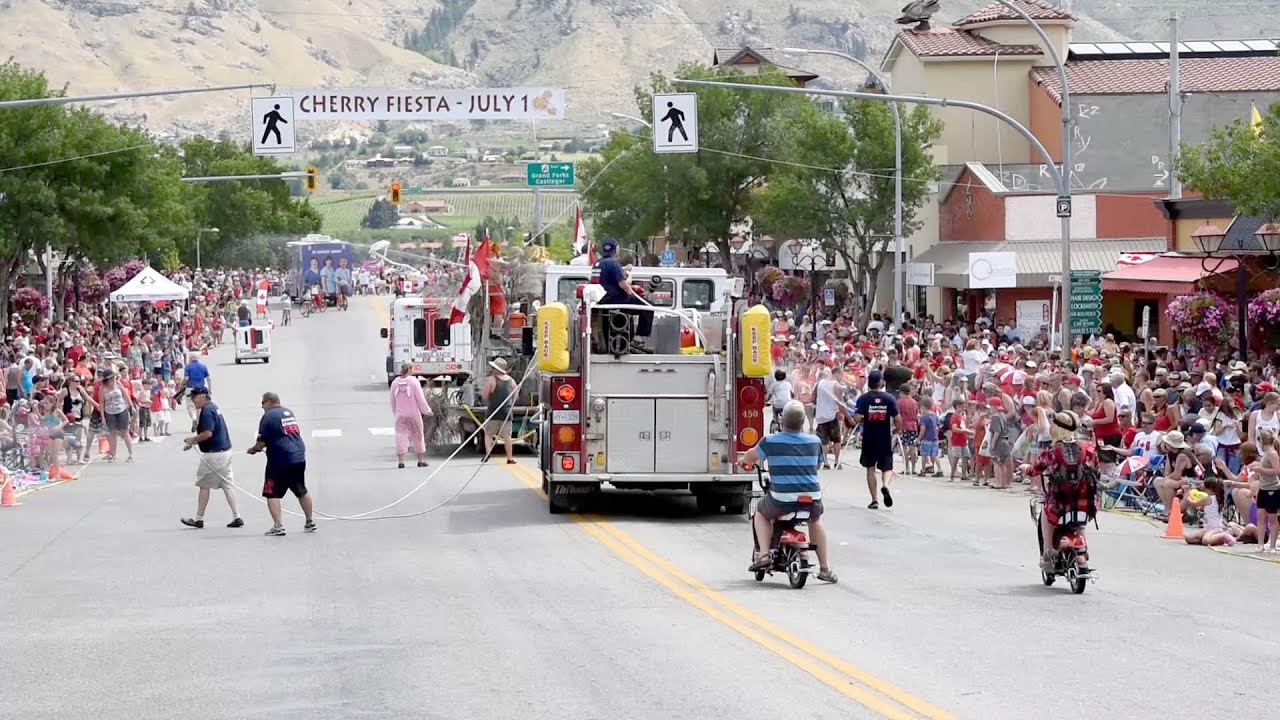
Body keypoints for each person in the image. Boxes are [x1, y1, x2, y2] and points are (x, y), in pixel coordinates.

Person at [741, 400, 837, 583]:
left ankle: (763, 555)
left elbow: (751, 457)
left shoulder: (770, 441)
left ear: (781, 420)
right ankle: (825, 568)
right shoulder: (815, 441)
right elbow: (816, 465)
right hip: (812, 499)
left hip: (780, 500)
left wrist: (744, 461)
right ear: (803, 422)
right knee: (815, 520)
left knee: (760, 513)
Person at [1026, 411, 1098, 571]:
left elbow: (1035, 469)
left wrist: (1026, 469)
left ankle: (1048, 552)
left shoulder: (1052, 452)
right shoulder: (1087, 448)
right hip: (1084, 500)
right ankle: (1084, 553)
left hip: (1059, 500)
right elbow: (1096, 468)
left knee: (1046, 516)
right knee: (1080, 524)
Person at [247, 392, 315, 536]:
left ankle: (278, 526)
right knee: (301, 490)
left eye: (263, 403)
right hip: (298, 456)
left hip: (280, 459)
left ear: (270, 402)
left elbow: (261, 442)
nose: (262, 406)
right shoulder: (288, 413)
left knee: (271, 493)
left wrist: (254, 450)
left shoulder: (268, 417)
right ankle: (310, 521)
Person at [180, 388, 243, 529]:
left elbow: (208, 433)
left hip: (214, 455)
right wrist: (195, 442)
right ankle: (236, 516)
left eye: (195, 397)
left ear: (204, 396)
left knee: (204, 485)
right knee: (227, 484)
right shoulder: (214, 408)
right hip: (224, 452)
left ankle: (199, 519)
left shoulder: (207, 411)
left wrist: (193, 439)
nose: (193, 400)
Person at [851, 370, 901, 509]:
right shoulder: (889, 398)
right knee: (887, 467)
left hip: (869, 437)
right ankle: (885, 485)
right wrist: (897, 430)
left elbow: (856, 418)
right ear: (881, 382)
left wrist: (860, 418)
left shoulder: (863, 399)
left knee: (870, 468)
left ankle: (874, 499)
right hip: (884, 437)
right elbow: (897, 419)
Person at [595, 238, 651, 348]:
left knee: (606, 319)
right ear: (615, 249)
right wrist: (630, 274)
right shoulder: (613, 263)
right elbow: (624, 285)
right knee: (647, 306)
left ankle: (607, 345)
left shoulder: (597, 263)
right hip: (617, 299)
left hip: (602, 300)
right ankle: (638, 338)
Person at [390, 363, 431, 468]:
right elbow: (420, 399)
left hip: (401, 415)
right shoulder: (414, 382)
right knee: (418, 435)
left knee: (400, 435)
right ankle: (421, 460)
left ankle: (401, 461)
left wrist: (396, 413)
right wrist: (427, 411)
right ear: (409, 369)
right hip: (414, 414)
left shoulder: (395, 383)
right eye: (412, 368)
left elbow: (392, 401)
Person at [480, 358, 517, 464]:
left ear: (497, 369)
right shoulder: (512, 381)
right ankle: (509, 458)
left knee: (488, 434)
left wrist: (488, 400)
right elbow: (516, 396)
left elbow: (485, 395)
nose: (492, 369)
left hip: (493, 412)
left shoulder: (491, 380)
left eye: (493, 368)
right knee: (507, 436)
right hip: (507, 413)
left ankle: (487, 454)